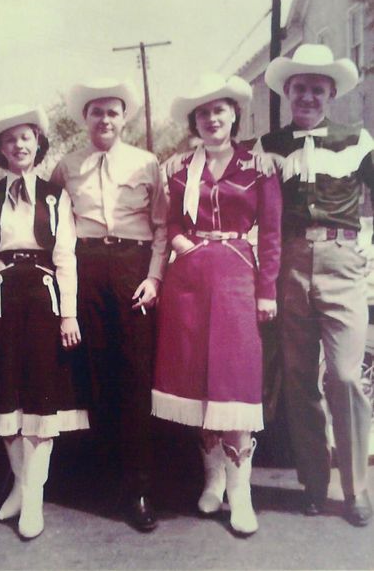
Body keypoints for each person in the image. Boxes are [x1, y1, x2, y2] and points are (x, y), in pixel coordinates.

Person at [152, 73, 282, 535]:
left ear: (233, 115)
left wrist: (267, 290)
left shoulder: (258, 165)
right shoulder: (180, 168)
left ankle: (240, 493)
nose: (212, 119)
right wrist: (184, 243)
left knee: (234, 381)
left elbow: (271, 234)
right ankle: (212, 482)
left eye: (219, 110)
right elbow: (169, 222)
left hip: (236, 279)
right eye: (203, 113)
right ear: (195, 120)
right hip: (188, 281)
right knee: (197, 380)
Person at [0, 104, 89, 540]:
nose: (19, 145)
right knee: (4, 393)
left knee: (39, 397)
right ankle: (21, 485)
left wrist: (68, 313)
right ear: (0, 149)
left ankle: (33, 499)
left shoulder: (56, 196)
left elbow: (66, 255)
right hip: (1, 297)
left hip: (43, 299)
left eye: (26, 138)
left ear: (38, 144)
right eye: (9, 139)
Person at [256, 43, 373, 526]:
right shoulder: (269, 146)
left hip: (343, 263)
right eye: (299, 88)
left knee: (344, 376)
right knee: (301, 379)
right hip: (290, 263)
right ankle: (313, 482)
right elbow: (259, 213)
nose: (307, 97)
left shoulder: (358, 139)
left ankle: (355, 489)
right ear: (287, 92)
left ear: (330, 94)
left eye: (317, 90)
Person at [51, 78, 169, 532]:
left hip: (133, 267)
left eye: (112, 112)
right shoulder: (68, 165)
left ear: (125, 118)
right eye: (96, 112)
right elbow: (58, 225)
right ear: (85, 119)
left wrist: (154, 276)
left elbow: (160, 226)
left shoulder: (147, 162)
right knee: (96, 372)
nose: (104, 119)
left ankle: (139, 487)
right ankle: (105, 480)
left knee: (135, 375)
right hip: (88, 266)